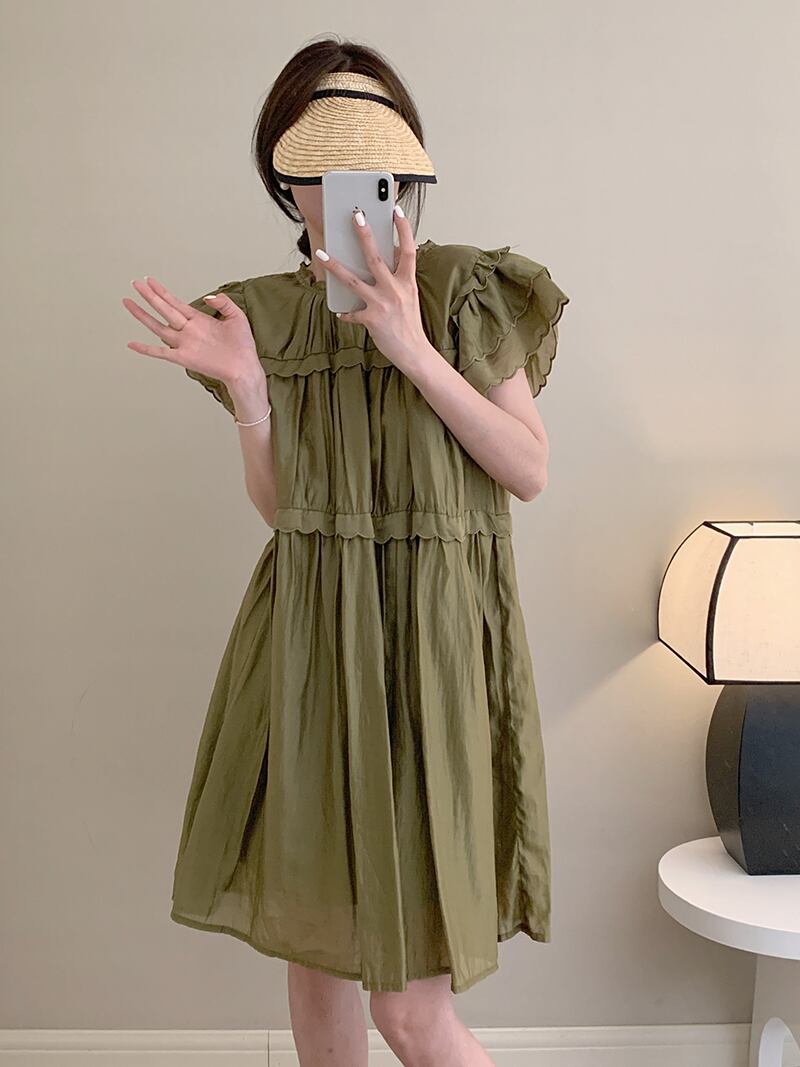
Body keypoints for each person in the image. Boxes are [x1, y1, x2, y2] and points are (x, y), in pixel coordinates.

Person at [122, 37, 569, 1067]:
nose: (350, 189)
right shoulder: (264, 318)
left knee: (410, 1012)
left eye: (371, 163)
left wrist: (409, 347)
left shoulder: (461, 290)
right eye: (320, 168)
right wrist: (248, 392)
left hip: (433, 652)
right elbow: (288, 513)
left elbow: (527, 468)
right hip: (312, 647)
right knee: (318, 972)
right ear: (288, 184)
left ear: (403, 171)